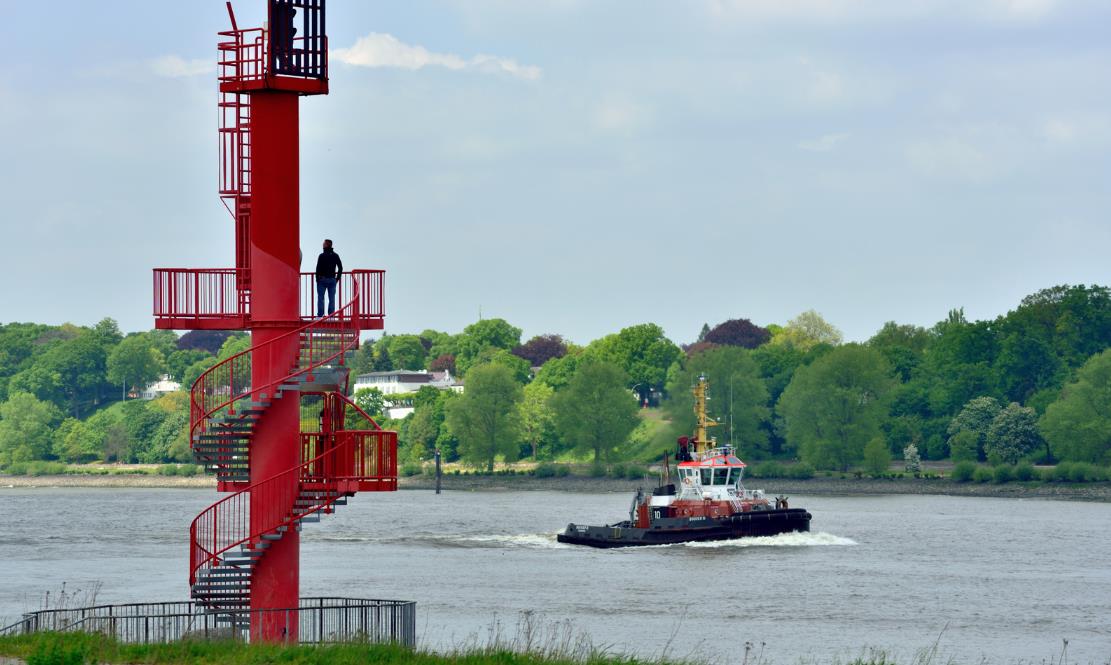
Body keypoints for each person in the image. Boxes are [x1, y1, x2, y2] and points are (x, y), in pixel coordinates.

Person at [315, 239, 342, 317]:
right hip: (332, 280)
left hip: (322, 280)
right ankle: (331, 316)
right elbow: (340, 267)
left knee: (320, 298)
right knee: (332, 299)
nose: (322, 244)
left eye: (323, 243)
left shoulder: (321, 255)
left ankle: (320, 316)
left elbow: (318, 268)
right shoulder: (335, 255)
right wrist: (337, 278)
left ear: (326, 245)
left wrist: (317, 279)